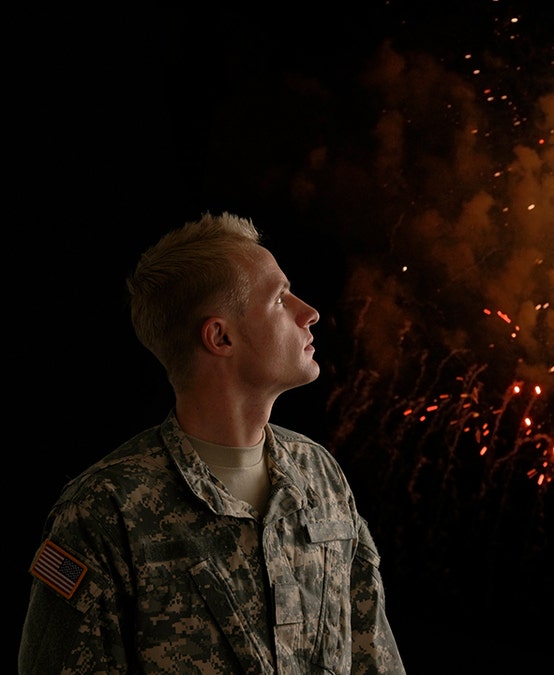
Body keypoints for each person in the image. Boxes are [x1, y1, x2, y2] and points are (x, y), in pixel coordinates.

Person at [19, 212, 406, 674]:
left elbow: (373, 656)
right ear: (220, 336)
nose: (309, 312)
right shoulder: (104, 514)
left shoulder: (319, 474)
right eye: (280, 298)